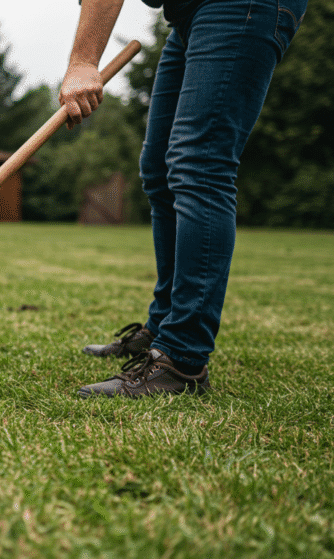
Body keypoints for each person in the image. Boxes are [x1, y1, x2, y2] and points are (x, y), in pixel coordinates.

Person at [59, 0, 307, 397]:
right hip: (190, 14)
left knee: (199, 162)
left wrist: (83, 63)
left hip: (239, 5)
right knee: (159, 169)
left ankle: (182, 357)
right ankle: (162, 327)